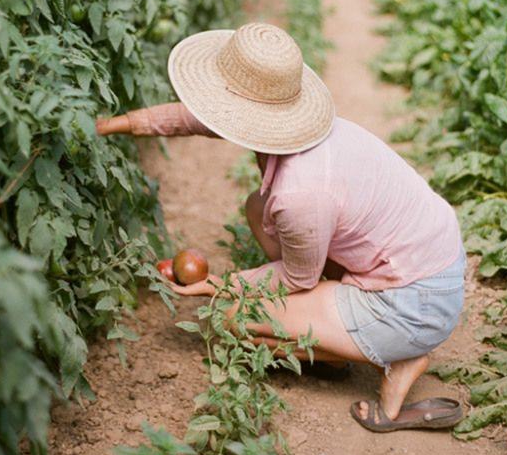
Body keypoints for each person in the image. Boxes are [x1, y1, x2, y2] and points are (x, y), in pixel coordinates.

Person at [96, 22, 466, 432]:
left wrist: (219, 286)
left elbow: (296, 277)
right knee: (259, 207)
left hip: (413, 303)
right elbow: (198, 118)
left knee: (232, 319)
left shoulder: (300, 191)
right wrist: (113, 125)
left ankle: (399, 353)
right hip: (426, 256)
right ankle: (339, 329)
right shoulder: (304, 128)